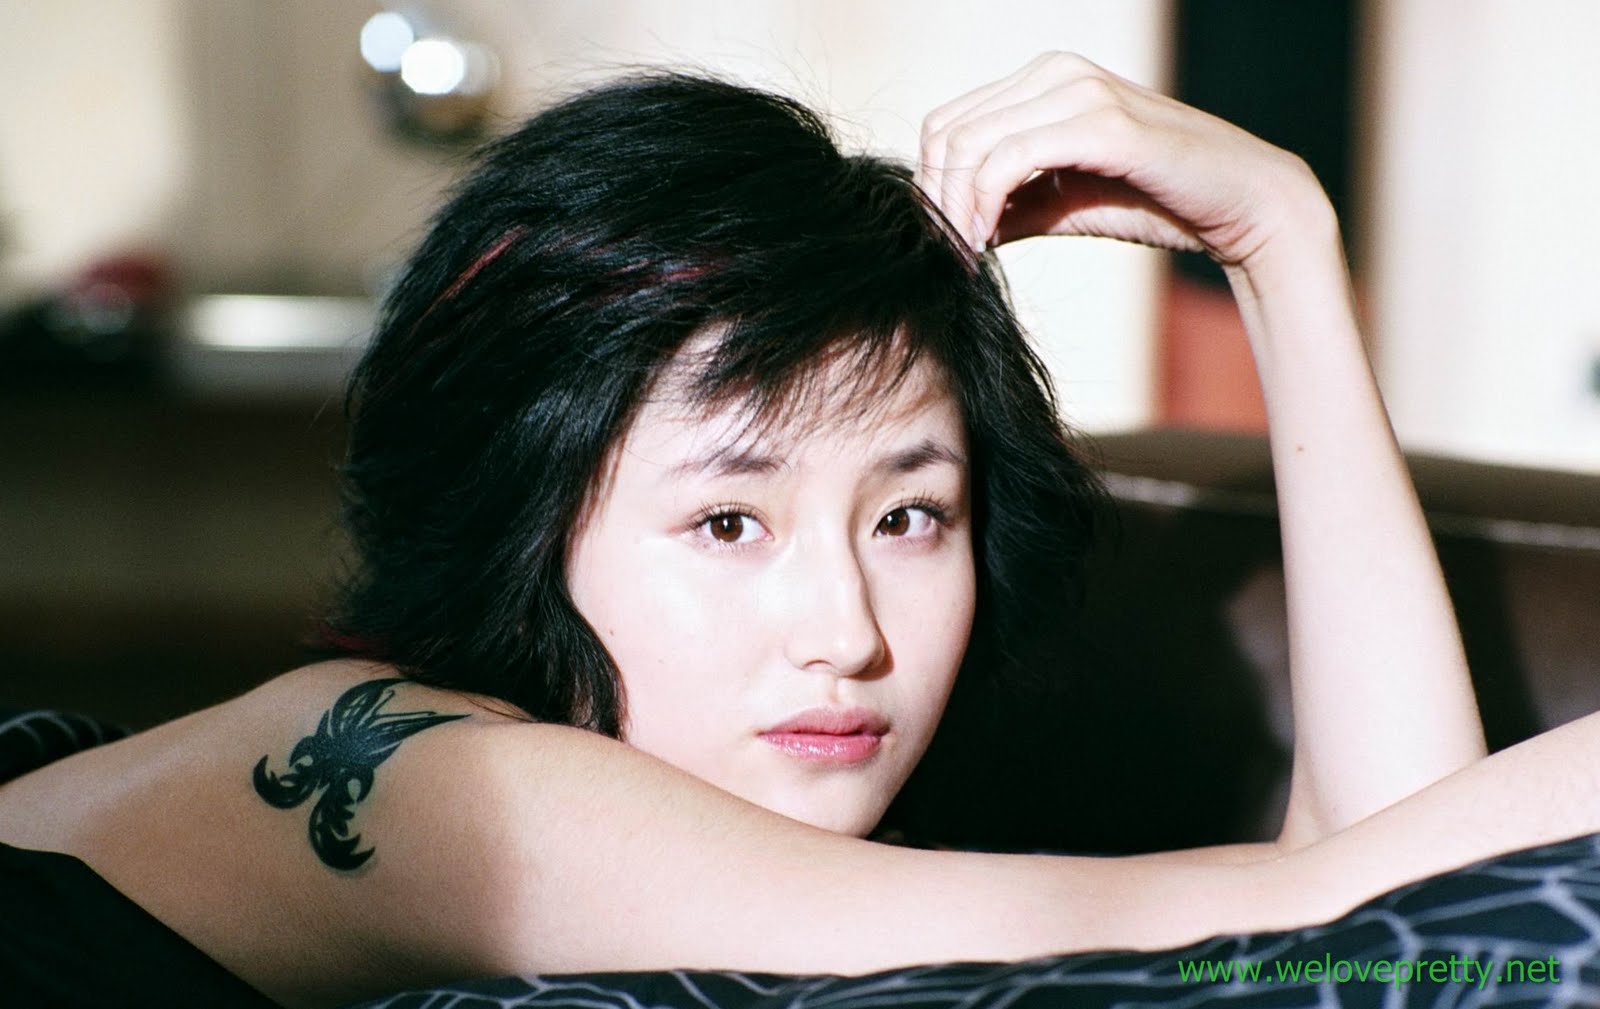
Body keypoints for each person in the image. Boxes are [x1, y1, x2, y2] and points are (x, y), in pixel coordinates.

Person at [1, 52, 1598, 1009]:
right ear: (521, 521)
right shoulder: (441, 784)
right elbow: (1326, 909)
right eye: (727, 520)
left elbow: (1390, 906)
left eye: (909, 513)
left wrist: (1280, 248)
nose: (848, 628)